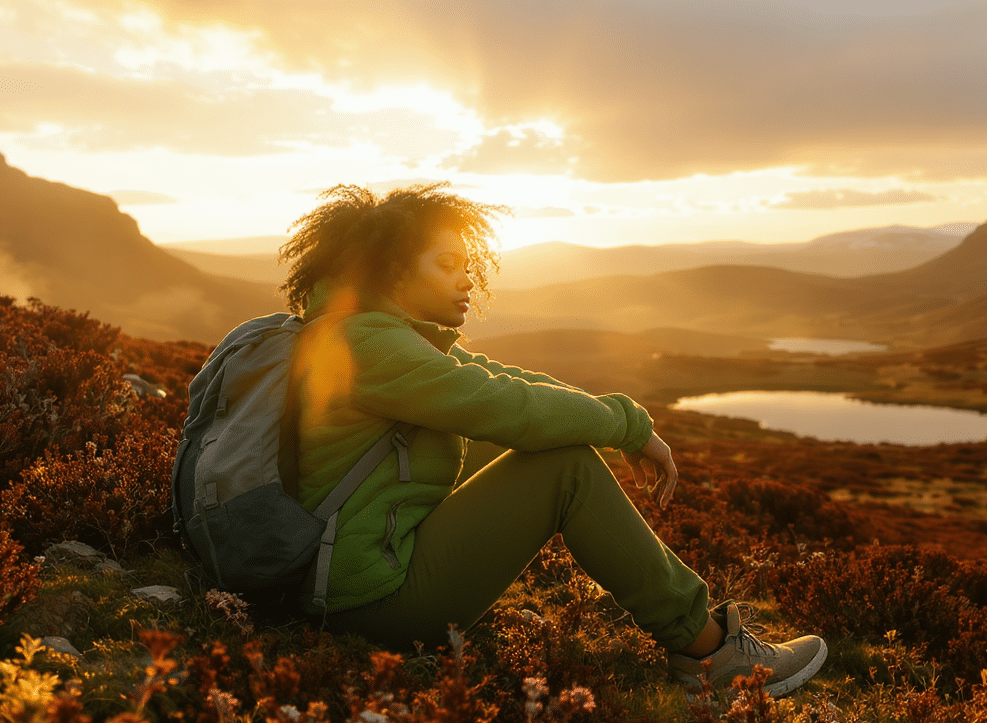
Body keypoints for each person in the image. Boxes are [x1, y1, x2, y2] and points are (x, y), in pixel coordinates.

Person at [278, 183, 827, 696]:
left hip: (353, 578)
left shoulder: (372, 336)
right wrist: (627, 429)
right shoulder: (370, 347)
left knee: (528, 445)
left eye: (468, 265)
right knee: (565, 468)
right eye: (447, 265)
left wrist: (626, 422)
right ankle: (708, 651)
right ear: (390, 270)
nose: (467, 279)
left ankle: (697, 635)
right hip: (365, 603)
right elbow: (510, 406)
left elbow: (510, 382)